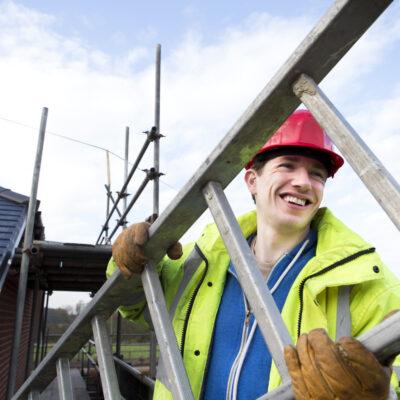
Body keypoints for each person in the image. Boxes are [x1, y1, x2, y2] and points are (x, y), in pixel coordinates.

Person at [107, 110, 400, 399]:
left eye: (317, 174)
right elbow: (138, 307)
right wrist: (133, 261)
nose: (303, 182)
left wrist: (381, 396)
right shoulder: (202, 260)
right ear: (252, 181)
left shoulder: (364, 280)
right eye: (287, 166)